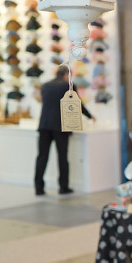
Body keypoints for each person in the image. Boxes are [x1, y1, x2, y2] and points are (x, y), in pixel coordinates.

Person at [35, 68, 94, 196]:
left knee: (42, 156)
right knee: (62, 157)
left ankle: (38, 187)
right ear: (66, 74)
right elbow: (77, 105)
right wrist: (90, 116)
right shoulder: (68, 86)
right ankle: (63, 187)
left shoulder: (45, 85)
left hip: (44, 125)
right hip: (60, 126)